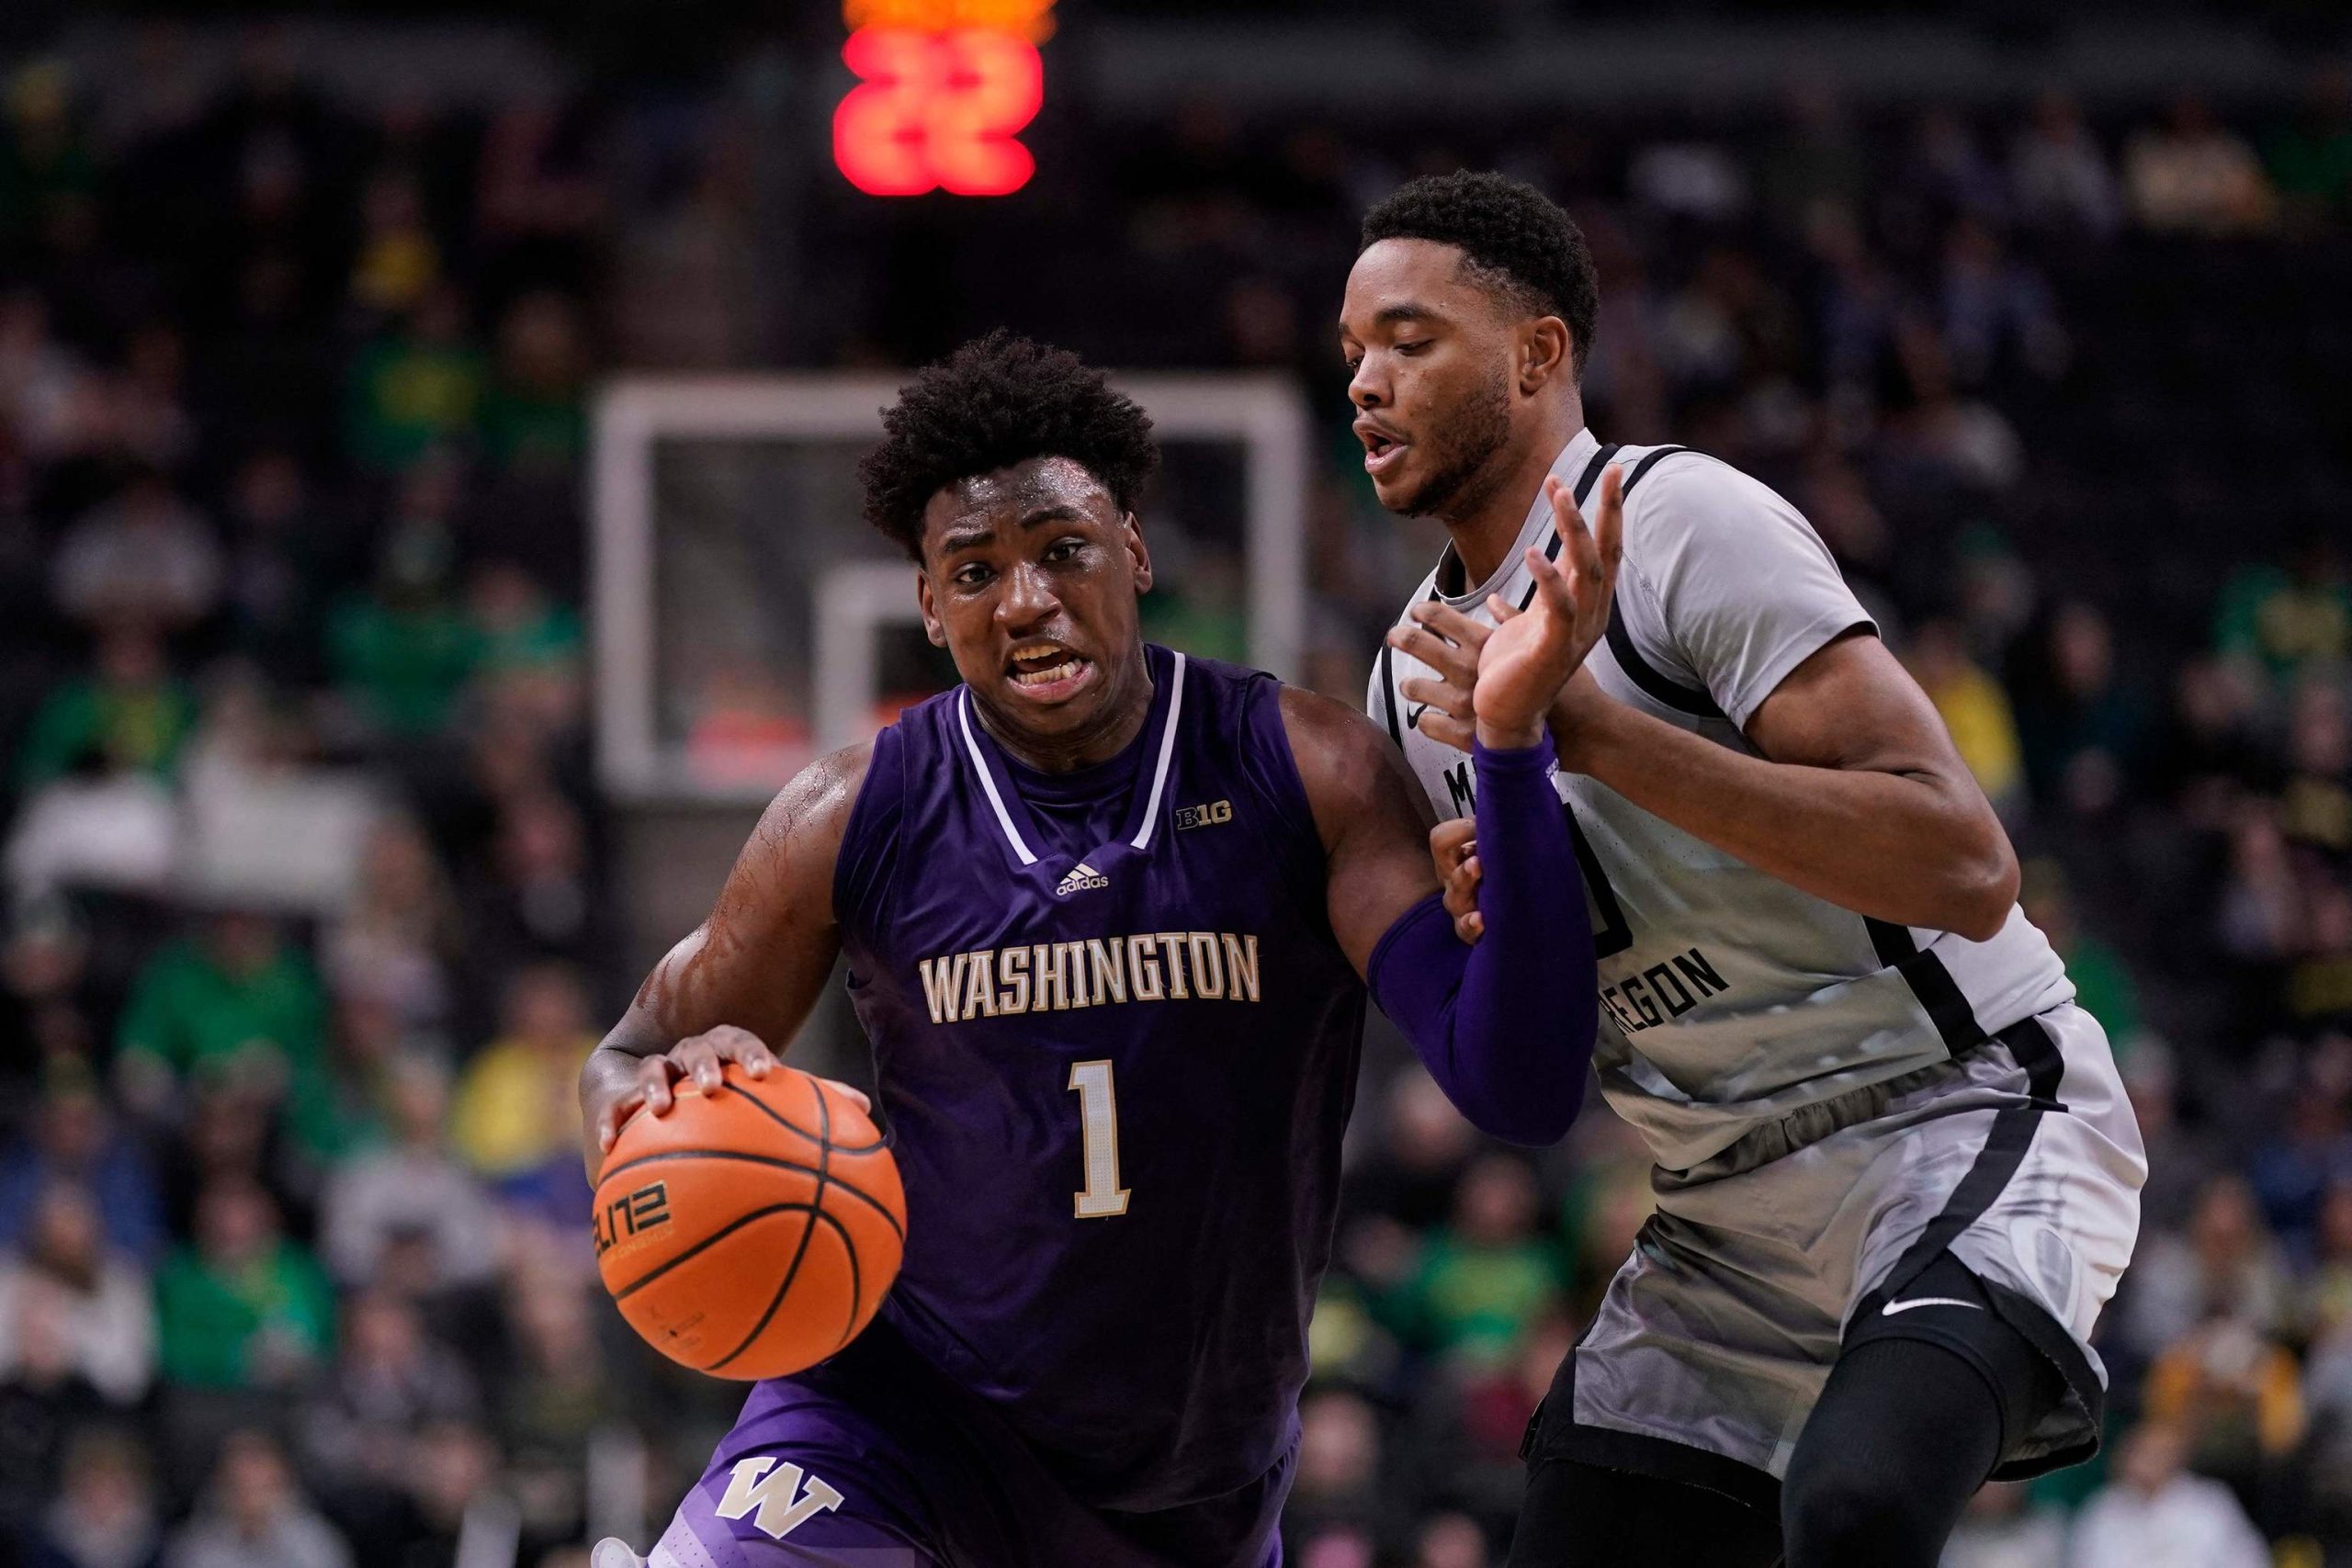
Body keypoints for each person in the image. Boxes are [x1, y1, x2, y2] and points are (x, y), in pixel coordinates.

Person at [581, 332, 1608, 1567]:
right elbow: (627, 1054)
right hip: (897, 1420)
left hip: (1190, 1479)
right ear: (927, 602)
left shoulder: (1309, 770)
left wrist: (1510, 755)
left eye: (1062, 550)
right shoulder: (851, 814)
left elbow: (1523, 1087)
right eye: (974, 570)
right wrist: (662, 1121)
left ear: (1133, 548)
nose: (1024, 599)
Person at [1344, 171, 2145, 1568]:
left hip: (1958, 1116)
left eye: (1409, 343)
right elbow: (1530, 1072)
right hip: (1715, 1213)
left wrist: (1592, 736)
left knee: (1856, 1510)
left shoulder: (1679, 526)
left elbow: (1967, 865)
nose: (1365, 382)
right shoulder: (1406, 682)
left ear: (1539, 354)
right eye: (1352, 352)